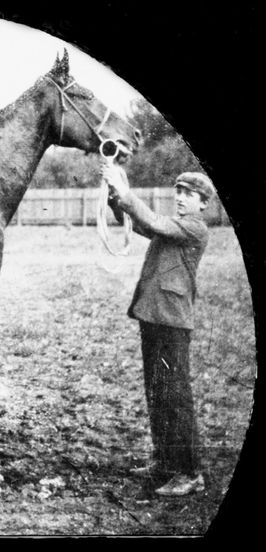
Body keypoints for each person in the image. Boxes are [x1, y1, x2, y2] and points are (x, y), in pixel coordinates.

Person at [101, 164, 216, 497]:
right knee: (158, 393)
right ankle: (166, 462)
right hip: (155, 317)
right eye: (178, 192)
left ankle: (190, 472)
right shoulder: (175, 227)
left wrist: (126, 194)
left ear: (203, 203)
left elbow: (153, 221)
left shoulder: (195, 228)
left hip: (172, 322)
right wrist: (114, 198)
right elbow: (140, 224)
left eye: (188, 194)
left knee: (176, 397)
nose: (180, 198)